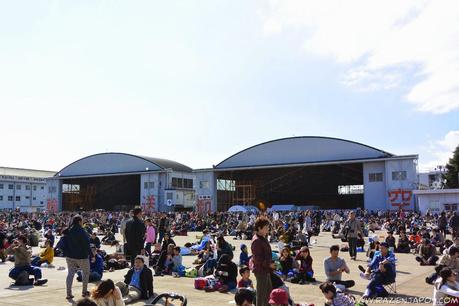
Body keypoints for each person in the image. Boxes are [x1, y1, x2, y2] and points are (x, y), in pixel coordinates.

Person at [65, 215, 91, 299]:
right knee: (86, 273)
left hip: (69, 256)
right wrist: (92, 254)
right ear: (79, 222)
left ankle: (68, 293)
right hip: (81, 256)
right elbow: (86, 244)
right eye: (82, 221)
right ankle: (84, 291)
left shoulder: (68, 230)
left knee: (70, 274)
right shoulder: (82, 231)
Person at [251, 217, 274, 306]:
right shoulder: (257, 240)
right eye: (265, 227)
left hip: (265, 270)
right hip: (261, 271)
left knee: (268, 293)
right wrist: (269, 264)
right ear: (259, 228)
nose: (267, 229)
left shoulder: (262, 238)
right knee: (261, 295)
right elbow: (257, 259)